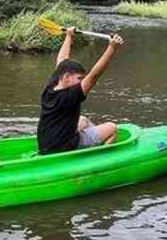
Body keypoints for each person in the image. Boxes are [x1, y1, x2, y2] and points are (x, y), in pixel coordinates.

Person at [37, 27, 124, 155]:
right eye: (79, 78)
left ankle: (93, 141)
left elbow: (62, 58)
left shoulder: (51, 86)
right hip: (65, 146)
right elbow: (94, 75)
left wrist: (69, 36)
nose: (81, 81)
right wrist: (112, 48)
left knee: (83, 120)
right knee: (112, 128)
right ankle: (99, 159)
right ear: (66, 77)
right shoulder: (71, 95)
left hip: (45, 144)